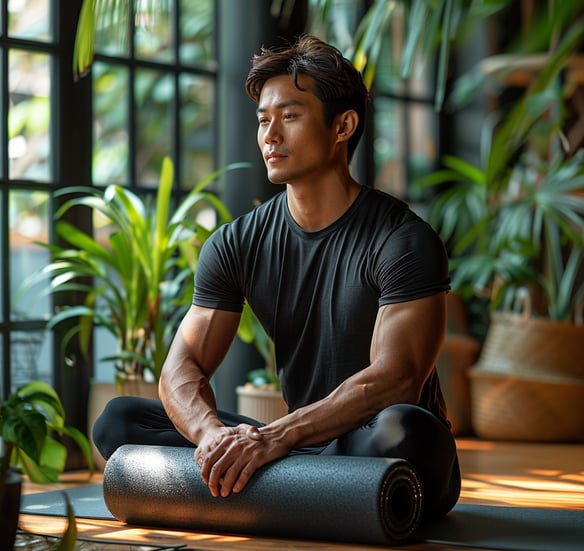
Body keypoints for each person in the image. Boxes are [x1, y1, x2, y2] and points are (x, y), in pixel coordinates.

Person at [93, 34, 460, 521]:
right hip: (295, 448)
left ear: (342, 126)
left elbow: (397, 378)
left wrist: (275, 437)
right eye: (264, 120)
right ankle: (291, 490)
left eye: (289, 116)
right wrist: (214, 439)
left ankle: (275, 491)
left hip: (368, 443)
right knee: (120, 420)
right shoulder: (235, 243)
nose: (270, 135)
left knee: (406, 429)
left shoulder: (403, 239)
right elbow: (181, 369)